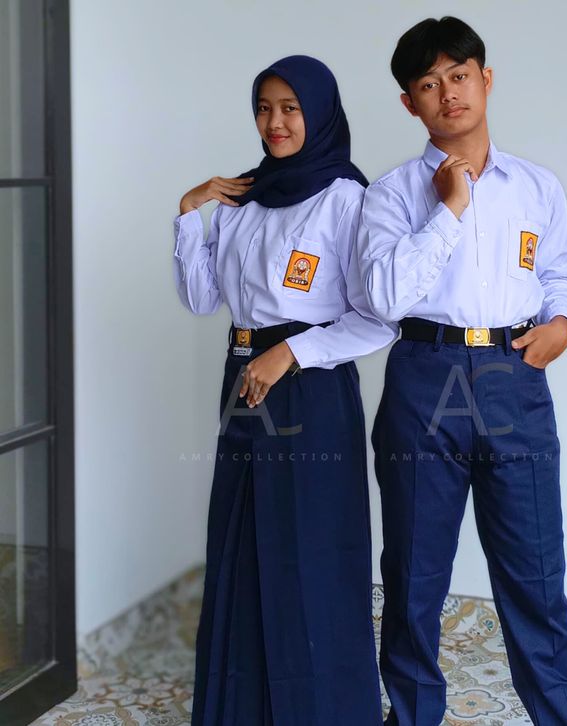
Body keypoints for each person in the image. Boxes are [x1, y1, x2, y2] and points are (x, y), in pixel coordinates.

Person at [356, 16, 567, 726]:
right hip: (424, 376)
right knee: (414, 574)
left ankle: (562, 718)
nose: (448, 93)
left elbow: (560, 272)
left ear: (485, 79)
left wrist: (562, 322)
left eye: (458, 75)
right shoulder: (393, 194)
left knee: (536, 573)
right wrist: (450, 209)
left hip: (513, 376)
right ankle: (413, 716)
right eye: (428, 84)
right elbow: (384, 297)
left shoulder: (536, 187)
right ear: (410, 103)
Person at [173, 54, 396, 725]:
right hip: (243, 383)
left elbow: (377, 317)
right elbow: (201, 298)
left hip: (309, 390)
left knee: (309, 547)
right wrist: (189, 214)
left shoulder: (346, 198)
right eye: (264, 108)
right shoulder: (242, 198)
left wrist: (291, 352)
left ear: (319, 113)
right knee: (241, 542)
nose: (275, 122)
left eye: (291, 108)